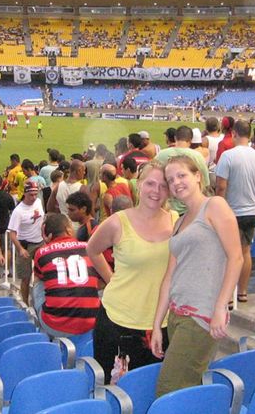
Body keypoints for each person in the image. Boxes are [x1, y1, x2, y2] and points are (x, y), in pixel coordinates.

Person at [150, 155, 243, 397]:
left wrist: (221, 308)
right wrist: (157, 325)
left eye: (182, 175)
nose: (176, 183)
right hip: (177, 315)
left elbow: (236, 258)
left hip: (201, 316)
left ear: (198, 176)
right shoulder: (179, 223)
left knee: (168, 389)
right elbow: (169, 277)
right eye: (171, 180)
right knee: (184, 388)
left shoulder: (215, 206)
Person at [86, 161, 178, 384]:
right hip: (118, 322)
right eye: (150, 183)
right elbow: (92, 249)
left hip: (161, 324)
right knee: (116, 390)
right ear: (138, 185)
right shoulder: (118, 222)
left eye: (163, 185)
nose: (156, 191)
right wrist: (111, 279)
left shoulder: (176, 221)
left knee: (149, 388)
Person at [215, 120, 255, 305]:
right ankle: (242, 292)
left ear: (235, 134)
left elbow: (221, 186)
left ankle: (228, 296)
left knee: (229, 253)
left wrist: (218, 206)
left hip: (232, 210)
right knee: (245, 251)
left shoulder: (228, 156)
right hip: (252, 210)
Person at [32, 213, 100, 337]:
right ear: (68, 229)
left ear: (48, 235)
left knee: (38, 280)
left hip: (55, 325)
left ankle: (44, 334)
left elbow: (41, 279)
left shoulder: (41, 253)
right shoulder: (89, 248)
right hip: (91, 321)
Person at [154, 126, 210, 215]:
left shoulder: (161, 155)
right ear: (190, 140)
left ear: (175, 138)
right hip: (190, 208)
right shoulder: (197, 156)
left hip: (168, 208)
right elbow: (206, 184)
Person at [7, 180, 45, 304]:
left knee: (42, 274)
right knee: (25, 277)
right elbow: (12, 233)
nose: (34, 197)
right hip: (26, 244)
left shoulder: (39, 202)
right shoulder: (18, 211)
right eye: (31, 195)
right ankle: (25, 302)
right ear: (25, 194)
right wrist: (20, 249)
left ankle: (40, 300)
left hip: (39, 242)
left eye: (35, 194)